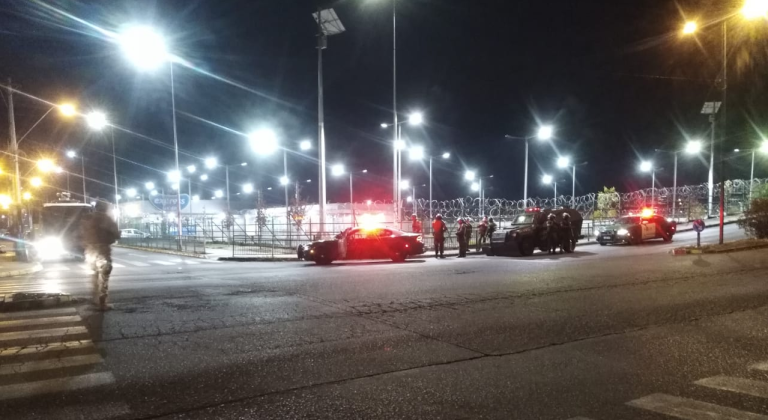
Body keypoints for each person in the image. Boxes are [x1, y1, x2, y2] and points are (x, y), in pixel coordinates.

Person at [80, 200, 121, 310]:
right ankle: (102, 303)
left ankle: (94, 300)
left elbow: (80, 234)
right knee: (104, 275)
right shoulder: (106, 219)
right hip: (102, 250)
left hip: (89, 250)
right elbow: (116, 234)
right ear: (104, 208)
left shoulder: (87, 218)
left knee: (93, 275)